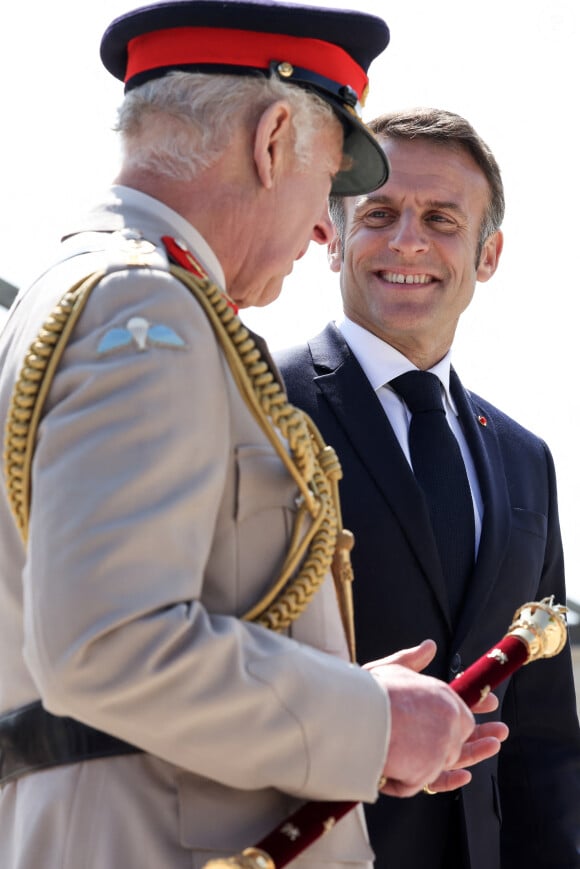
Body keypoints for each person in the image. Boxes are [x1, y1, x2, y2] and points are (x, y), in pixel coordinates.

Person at [0, 11, 508, 869]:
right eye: (330, 180)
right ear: (274, 140)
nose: (323, 229)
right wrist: (373, 721)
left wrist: (336, 694)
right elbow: (109, 647)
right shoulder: (143, 305)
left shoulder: (105, 291)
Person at [277, 106, 580, 869]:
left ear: (488, 254)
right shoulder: (252, 403)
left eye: (442, 218)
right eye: (379, 212)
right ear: (329, 232)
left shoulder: (524, 457)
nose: (408, 239)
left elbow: (542, 739)